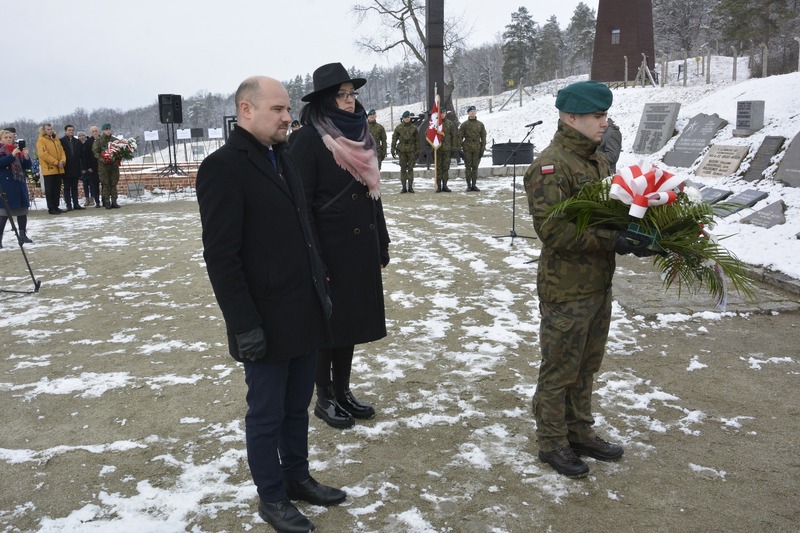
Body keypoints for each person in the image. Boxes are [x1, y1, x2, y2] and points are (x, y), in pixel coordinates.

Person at [197, 75, 346, 533]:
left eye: (287, 109)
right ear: (246, 110)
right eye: (278, 109)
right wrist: (244, 325)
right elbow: (222, 258)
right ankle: (272, 497)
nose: (287, 117)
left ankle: (297, 477)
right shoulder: (223, 167)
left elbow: (305, 232)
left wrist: (321, 291)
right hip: (263, 320)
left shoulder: (284, 157)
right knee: (265, 415)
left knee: (297, 406)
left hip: (302, 311)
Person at [522, 80, 656, 478]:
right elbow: (554, 231)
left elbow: (609, 211)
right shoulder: (551, 166)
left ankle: (579, 431)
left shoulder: (595, 160)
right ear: (571, 117)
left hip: (597, 283)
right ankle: (551, 442)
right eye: (597, 116)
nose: (604, 123)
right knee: (560, 368)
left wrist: (639, 230)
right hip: (566, 288)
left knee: (586, 365)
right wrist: (613, 241)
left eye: (605, 116)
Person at [288, 62, 390, 430]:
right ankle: (324, 396)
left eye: (352, 94)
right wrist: (314, 258)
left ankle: (343, 390)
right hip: (328, 249)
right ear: (324, 100)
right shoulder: (308, 139)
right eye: (341, 95)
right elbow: (301, 207)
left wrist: (381, 241)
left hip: (359, 247)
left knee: (350, 322)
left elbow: (372, 194)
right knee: (327, 325)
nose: (349, 100)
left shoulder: (361, 135)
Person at [0, 129, 33, 247]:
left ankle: (22, 235)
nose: (9, 139)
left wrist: (26, 156)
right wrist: (12, 155)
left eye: (10, 137)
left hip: (19, 183)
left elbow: (27, 166)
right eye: (6, 137)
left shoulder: (17, 150)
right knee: (4, 214)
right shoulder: (2, 151)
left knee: (22, 211)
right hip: (6, 185)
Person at [36, 123, 66, 215]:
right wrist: (56, 162)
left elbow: (62, 151)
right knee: (50, 190)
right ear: (44, 130)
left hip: (59, 168)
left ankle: (56, 206)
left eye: (51, 129)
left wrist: (62, 161)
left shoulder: (56, 139)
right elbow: (43, 154)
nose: (50, 131)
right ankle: (51, 207)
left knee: (57, 189)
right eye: (48, 129)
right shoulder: (41, 140)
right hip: (49, 169)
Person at [92, 123, 121, 209]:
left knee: (113, 184)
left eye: (109, 129)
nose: (108, 131)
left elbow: (120, 151)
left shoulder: (115, 140)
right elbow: (95, 152)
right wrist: (103, 159)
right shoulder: (99, 141)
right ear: (103, 131)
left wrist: (118, 158)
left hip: (114, 166)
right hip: (103, 166)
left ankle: (114, 201)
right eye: (106, 130)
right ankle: (107, 202)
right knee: (105, 184)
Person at [459, 105, 486, 191]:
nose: (473, 112)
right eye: (471, 111)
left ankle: (474, 185)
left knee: (475, 167)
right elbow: (460, 137)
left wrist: (482, 149)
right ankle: (468, 185)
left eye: (474, 111)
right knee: (468, 167)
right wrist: (459, 150)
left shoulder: (480, 124)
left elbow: (483, 137)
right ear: (468, 113)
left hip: (477, 149)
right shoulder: (464, 125)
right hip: (467, 148)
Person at [391, 110, 418, 193]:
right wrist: (393, 149)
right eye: (405, 117)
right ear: (403, 118)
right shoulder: (398, 128)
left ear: (410, 118)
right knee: (403, 169)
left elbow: (417, 140)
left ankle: (410, 187)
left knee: (410, 168)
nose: (407, 119)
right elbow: (394, 139)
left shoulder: (414, 128)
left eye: (408, 117)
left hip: (411, 150)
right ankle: (403, 187)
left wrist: (418, 151)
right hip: (402, 150)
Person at [60, 124, 85, 211]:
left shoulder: (77, 142)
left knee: (75, 187)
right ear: (65, 131)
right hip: (66, 168)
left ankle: (76, 204)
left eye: (72, 130)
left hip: (75, 168)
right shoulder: (61, 141)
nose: (71, 132)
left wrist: (82, 167)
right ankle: (68, 205)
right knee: (67, 188)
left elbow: (81, 156)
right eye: (69, 130)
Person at [435, 110, 458, 192]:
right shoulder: (434, 123)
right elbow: (428, 134)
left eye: (443, 113)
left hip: (447, 149)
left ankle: (445, 185)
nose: (442, 114)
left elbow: (454, 136)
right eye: (440, 113)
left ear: (445, 114)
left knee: (445, 168)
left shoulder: (450, 124)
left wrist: (454, 148)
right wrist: (431, 146)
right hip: (437, 149)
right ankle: (438, 186)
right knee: (438, 168)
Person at [81, 126, 101, 207]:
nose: (95, 132)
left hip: (103, 165)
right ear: (91, 133)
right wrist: (88, 167)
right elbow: (85, 156)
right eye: (93, 131)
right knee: (95, 185)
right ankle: (97, 201)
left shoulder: (102, 140)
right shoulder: (88, 142)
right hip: (93, 167)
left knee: (105, 184)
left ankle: (105, 200)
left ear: (98, 131)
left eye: (96, 131)